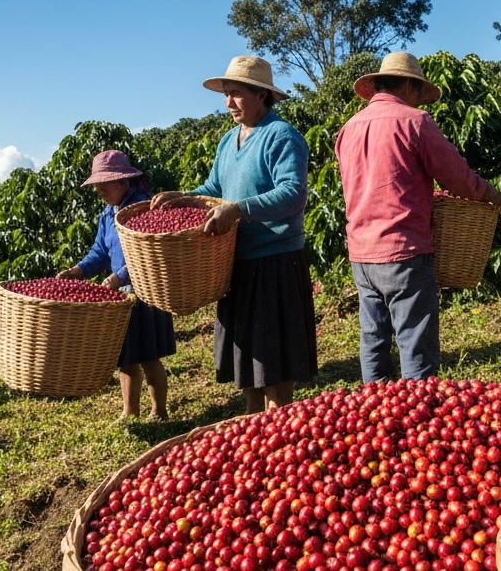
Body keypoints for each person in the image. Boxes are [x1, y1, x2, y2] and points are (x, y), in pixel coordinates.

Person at [151, 56, 316, 413]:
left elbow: (293, 193)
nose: (228, 103)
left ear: (261, 95)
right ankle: (256, 430)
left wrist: (238, 209)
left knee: (274, 363)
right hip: (236, 263)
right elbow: (215, 186)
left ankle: (279, 430)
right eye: (226, 94)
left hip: (275, 261)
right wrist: (186, 198)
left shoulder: (282, 136)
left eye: (236, 94)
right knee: (249, 361)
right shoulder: (229, 141)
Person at [335, 51, 501, 383]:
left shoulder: (348, 128)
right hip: (404, 250)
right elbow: (456, 178)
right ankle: (419, 420)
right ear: (411, 87)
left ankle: (376, 413)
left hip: (361, 253)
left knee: (374, 339)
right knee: (415, 343)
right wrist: (490, 194)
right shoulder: (414, 121)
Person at [58, 150, 175, 420]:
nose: (99, 189)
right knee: (126, 356)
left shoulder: (143, 208)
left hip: (146, 290)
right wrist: (78, 271)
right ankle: (129, 411)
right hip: (121, 296)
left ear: (123, 181)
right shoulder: (107, 215)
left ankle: (159, 411)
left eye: (105, 183)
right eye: (97, 185)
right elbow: (100, 252)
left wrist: (119, 276)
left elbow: (147, 251)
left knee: (149, 355)